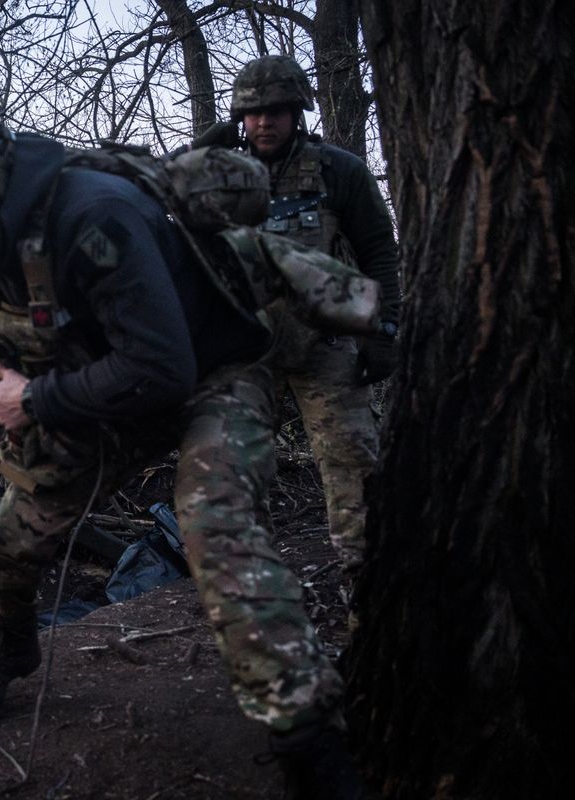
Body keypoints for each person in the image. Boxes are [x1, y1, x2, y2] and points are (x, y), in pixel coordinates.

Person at [0, 109, 368, 797]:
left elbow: (165, 370)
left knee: (215, 528)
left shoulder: (93, 213)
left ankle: (308, 736)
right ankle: (15, 646)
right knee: (3, 549)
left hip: (208, 379)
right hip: (94, 399)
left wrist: (35, 401)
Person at [228, 55, 401, 578]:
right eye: (253, 112)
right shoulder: (218, 175)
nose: (264, 122)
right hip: (245, 352)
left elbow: (379, 251)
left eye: (276, 110)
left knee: (355, 478)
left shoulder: (336, 170)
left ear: (296, 112)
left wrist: (384, 329)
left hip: (325, 345)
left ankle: (369, 608)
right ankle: (255, 611)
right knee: (231, 482)